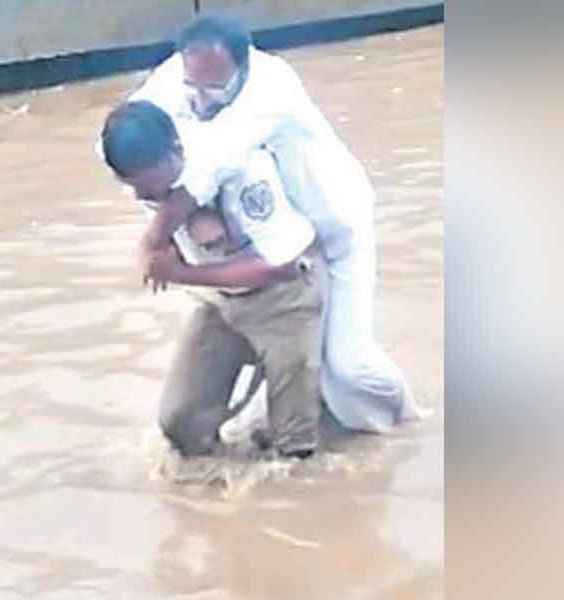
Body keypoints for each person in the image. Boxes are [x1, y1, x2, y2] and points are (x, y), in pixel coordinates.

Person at [129, 14, 423, 433]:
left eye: (216, 88)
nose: (202, 100)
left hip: (335, 230)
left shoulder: (271, 87)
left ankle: (407, 415)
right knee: (289, 380)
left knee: (348, 368)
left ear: (244, 65)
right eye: (194, 86)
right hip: (272, 232)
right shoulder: (178, 76)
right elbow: (127, 138)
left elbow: (214, 159)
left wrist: (153, 241)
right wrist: (192, 216)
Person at [100, 100, 327, 458]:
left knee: (294, 447)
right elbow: (156, 228)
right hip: (221, 299)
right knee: (179, 423)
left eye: (161, 189)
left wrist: (180, 273)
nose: (153, 199)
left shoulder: (243, 171)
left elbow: (280, 266)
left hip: (285, 296)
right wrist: (168, 234)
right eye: (144, 193)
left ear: (177, 152)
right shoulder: (136, 169)